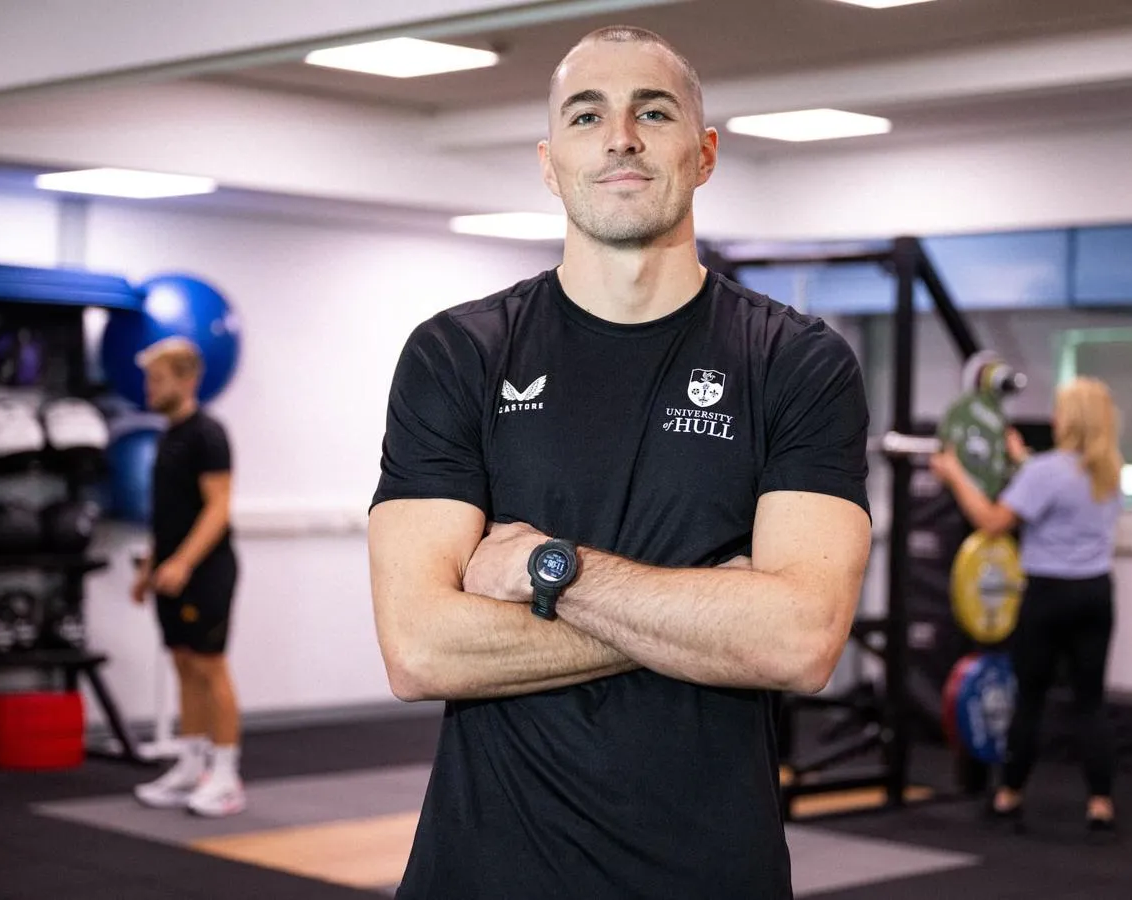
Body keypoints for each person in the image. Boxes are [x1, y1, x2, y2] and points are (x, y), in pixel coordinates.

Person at [367, 25, 873, 900]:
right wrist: (713, 608)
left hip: (709, 873)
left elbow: (797, 642)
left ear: (704, 153)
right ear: (549, 159)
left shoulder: (795, 362)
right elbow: (419, 648)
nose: (621, 137)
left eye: (653, 110)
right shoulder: (457, 354)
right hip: (484, 872)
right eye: (586, 114)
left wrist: (543, 567)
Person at [930, 376, 1124, 836]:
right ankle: (1100, 804)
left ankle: (1009, 795)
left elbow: (992, 522)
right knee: (1091, 701)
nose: (1053, 419)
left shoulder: (1046, 473)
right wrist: (1022, 460)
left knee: (1030, 699)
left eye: (1059, 411)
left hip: (1049, 595)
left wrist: (954, 473)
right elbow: (1060, 484)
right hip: (1096, 593)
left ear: (1070, 420)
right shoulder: (1109, 470)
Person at [130, 336, 245, 818]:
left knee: (208, 667)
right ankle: (190, 766)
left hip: (207, 571)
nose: (149, 388)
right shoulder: (167, 435)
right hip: (172, 571)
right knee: (181, 664)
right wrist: (152, 566)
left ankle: (226, 777)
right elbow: (170, 513)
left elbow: (218, 508)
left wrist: (182, 563)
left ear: (187, 380)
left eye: (158, 379)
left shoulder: (208, 433)